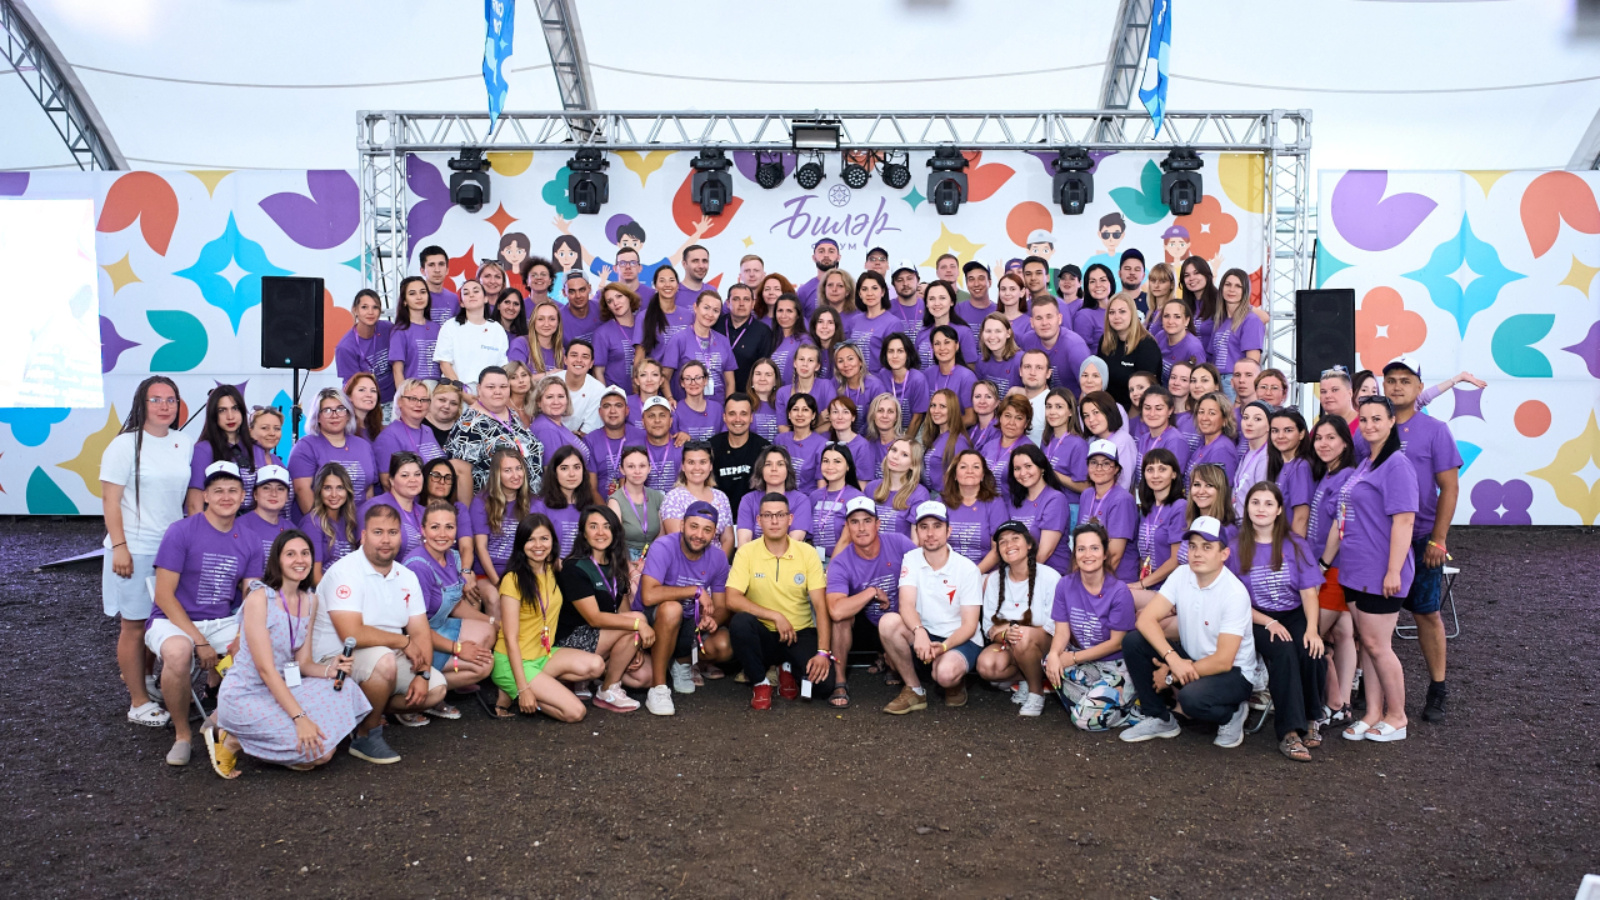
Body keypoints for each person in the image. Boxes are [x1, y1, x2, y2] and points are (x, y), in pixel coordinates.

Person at [207, 531, 370, 777]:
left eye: (305, 553)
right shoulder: (260, 598)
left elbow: (303, 664)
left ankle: (284, 744)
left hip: (285, 687)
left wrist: (331, 670)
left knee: (345, 686)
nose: (300, 560)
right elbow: (266, 670)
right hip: (246, 695)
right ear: (278, 560)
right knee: (322, 754)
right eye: (290, 554)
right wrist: (300, 718)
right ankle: (231, 740)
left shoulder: (310, 600)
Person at [1118, 516, 1263, 747]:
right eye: (1193, 546)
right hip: (1191, 659)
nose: (1197, 553)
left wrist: (1171, 676)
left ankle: (1232, 714)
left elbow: (1223, 661)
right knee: (1134, 641)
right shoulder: (1181, 574)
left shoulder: (1234, 593)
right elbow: (1145, 620)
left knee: (1191, 699)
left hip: (1233, 673)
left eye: (1207, 547)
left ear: (1224, 554)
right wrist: (1172, 659)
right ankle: (1160, 718)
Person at [101, 376, 193, 729]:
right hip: (135, 548)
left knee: (160, 621)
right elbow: (110, 500)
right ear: (142, 403)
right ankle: (137, 701)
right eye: (156, 399)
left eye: (170, 399)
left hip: (170, 549)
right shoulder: (124, 445)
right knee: (134, 624)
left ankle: (149, 681)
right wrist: (120, 547)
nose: (164, 406)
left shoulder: (183, 442)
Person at [149, 461, 255, 765]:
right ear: (205, 496)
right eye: (218, 490)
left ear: (243, 496)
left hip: (222, 621)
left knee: (258, 649)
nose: (226, 496)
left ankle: (216, 721)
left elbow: (251, 597)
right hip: (171, 619)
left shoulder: (248, 538)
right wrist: (199, 641)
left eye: (232, 490)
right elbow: (163, 596)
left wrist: (241, 635)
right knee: (179, 652)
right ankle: (182, 735)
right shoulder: (181, 531)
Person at [1328, 395, 1419, 744]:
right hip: (1356, 569)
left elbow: (1404, 521)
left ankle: (1397, 716)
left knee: (1379, 645)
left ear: (1392, 421)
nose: (1369, 425)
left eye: (1377, 419)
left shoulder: (1397, 465)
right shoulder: (1367, 462)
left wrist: (1393, 570)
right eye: (1364, 419)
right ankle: (1373, 713)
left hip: (1381, 570)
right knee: (1367, 644)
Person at [1383, 357, 1462, 722]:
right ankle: (1371, 690)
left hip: (1421, 538)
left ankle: (1438, 688)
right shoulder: (1371, 427)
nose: (1397, 386)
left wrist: (1438, 539)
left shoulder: (1435, 430)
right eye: (1391, 380)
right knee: (1373, 616)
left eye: (1405, 380)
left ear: (1419, 388)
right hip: (1379, 539)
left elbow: (1449, 488)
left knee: (1426, 612)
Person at [1231, 482, 1326, 760]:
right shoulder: (1236, 547)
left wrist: (1312, 629)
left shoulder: (1295, 544)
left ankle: (1311, 717)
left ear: (1279, 510)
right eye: (1255, 502)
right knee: (1284, 652)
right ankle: (1289, 732)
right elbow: (1234, 601)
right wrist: (1269, 623)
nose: (1261, 508)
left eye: (1268, 503)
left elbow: (1308, 593)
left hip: (1294, 612)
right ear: (1247, 508)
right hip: (1256, 616)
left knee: (1311, 649)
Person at [489, 514, 606, 722]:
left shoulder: (551, 568)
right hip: (514, 660)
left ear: (553, 541)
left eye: (544, 538)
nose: (538, 546)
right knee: (575, 712)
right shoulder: (512, 580)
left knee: (596, 665)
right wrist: (524, 689)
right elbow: (510, 639)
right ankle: (521, 693)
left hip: (543, 655)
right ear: (521, 544)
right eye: (531, 539)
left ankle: (524, 689)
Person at [723, 493, 832, 709]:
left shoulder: (807, 553)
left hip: (799, 633)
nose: (774, 521)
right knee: (740, 623)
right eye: (768, 515)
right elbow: (732, 599)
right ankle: (760, 682)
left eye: (780, 515)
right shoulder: (746, 552)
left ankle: (786, 667)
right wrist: (775, 616)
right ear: (759, 520)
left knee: (824, 688)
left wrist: (823, 653)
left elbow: (821, 606)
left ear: (790, 519)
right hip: (764, 634)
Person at [880, 501, 984, 712]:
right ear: (917, 532)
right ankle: (915, 690)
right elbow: (906, 605)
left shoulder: (967, 568)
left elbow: (969, 625)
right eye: (924, 527)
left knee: (945, 674)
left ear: (948, 531)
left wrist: (944, 647)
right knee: (888, 623)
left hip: (958, 638)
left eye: (937, 526)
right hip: (925, 634)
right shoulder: (911, 558)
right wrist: (919, 632)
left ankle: (955, 683)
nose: (930, 533)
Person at [401, 501, 496, 723]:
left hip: (439, 626)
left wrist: (493, 621)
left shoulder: (452, 557)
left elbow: (454, 604)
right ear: (423, 530)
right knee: (484, 666)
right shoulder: (418, 566)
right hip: (417, 639)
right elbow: (415, 629)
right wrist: (459, 649)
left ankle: (440, 682)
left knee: (489, 630)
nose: (442, 534)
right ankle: (417, 695)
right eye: (435, 527)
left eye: (449, 527)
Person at [556, 506, 655, 713]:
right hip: (573, 639)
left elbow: (623, 613)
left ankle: (595, 679)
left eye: (606, 526)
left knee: (646, 676)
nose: (600, 532)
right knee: (637, 620)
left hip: (604, 637)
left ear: (614, 532)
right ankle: (608, 690)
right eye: (593, 526)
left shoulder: (616, 564)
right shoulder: (574, 567)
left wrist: (634, 647)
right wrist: (638, 625)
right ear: (583, 532)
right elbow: (594, 618)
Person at [635, 502, 730, 715]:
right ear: (682, 525)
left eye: (707, 530)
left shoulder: (718, 557)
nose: (699, 535)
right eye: (693, 526)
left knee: (723, 644)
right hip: (652, 621)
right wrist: (695, 590)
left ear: (714, 533)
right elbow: (648, 596)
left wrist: (713, 619)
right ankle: (658, 688)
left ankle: (681, 662)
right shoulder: (663, 546)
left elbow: (722, 606)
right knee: (672, 609)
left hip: (689, 624)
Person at [1045, 522, 1138, 730]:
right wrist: (1054, 654)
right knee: (1050, 661)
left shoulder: (1119, 591)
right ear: (1075, 554)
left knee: (1082, 721)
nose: (1088, 555)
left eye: (1094, 548)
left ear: (1104, 554)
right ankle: (1098, 700)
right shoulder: (1065, 584)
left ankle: (1130, 711)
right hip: (1087, 663)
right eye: (1081, 549)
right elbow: (1062, 632)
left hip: (1116, 665)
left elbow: (1117, 643)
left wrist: (1073, 658)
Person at [825, 496, 916, 708]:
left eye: (867, 521)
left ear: (878, 524)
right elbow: (836, 610)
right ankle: (840, 681)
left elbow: (926, 576)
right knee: (840, 619)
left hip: (902, 621)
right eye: (854, 522)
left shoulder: (899, 543)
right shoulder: (841, 562)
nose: (861, 528)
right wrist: (871, 592)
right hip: (867, 625)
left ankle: (892, 660)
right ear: (847, 527)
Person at [977, 520, 1062, 716]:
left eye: (1015, 538)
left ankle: (1035, 692)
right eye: (1003, 542)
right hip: (1009, 642)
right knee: (987, 666)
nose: (1009, 545)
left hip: (1045, 644)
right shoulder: (994, 579)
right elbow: (989, 627)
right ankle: (1027, 676)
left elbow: (1054, 625)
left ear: (1029, 544)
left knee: (1023, 636)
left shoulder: (1050, 577)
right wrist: (1005, 634)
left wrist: (1016, 628)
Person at [1308, 414, 1358, 729]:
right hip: (1326, 568)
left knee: (1311, 635)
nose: (1323, 444)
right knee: (1341, 634)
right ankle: (1341, 704)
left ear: (1345, 443)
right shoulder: (1327, 474)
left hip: (1333, 571)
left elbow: (1339, 527)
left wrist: (1323, 567)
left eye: (1331, 438)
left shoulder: (1346, 477)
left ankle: (1335, 702)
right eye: (1319, 438)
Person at [447, 366, 542, 495]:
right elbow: (461, 473)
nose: (498, 391)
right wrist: (467, 508)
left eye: (503, 387)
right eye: (491, 387)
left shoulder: (512, 413)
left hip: (528, 498)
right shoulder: (469, 424)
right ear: (479, 389)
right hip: (494, 502)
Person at [288, 388, 379, 517]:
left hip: (359, 523)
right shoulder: (305, 447)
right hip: (322, 524)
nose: (334, 415)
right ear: (317, 417)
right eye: (327, 410)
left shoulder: (363, 446)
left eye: (340, 409)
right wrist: (323, 525)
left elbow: (369, 490)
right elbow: (302, 491)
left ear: (348, 415)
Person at [186, 385, 265, 514]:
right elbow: (194, 506)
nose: (230, 416)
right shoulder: (203, 450)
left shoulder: (256, 448)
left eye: (235, 408)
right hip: (216, 523)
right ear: (213, 415)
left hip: (253, 524)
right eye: (222, 410)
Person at [1129, 449, 1187, 615]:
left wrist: (1142, 584)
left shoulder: (1179, 506)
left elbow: (1176, 560)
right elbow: (1145, 554)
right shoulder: (1147, 509)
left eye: (1162, 469)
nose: (1155, 475)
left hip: (1171, 589)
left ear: (1174, 474)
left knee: (1122, 596)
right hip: (1150, 584)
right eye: (1150, 470)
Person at [1078, 439, 1140, 584]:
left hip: (1116, 578)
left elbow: (1114, 555)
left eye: (1106, 463)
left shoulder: (1122, 500)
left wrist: (1092, 585)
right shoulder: (1087, 495)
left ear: (1116, 469)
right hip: (1089, 573)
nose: (1099, 468)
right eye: (1094, 462)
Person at [659, 440, 735, 556]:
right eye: (691, 462)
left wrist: (718, 563)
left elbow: (728, 539)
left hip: (717, 562)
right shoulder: (674, 498)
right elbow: (679, 541)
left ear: (710, 466)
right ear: (683, 466)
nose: (697, 468)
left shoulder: (721, 497)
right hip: (685, 563)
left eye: (703, 462)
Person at [435, 280, 507, 394]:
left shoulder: (497, 329)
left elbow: (502, 366)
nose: (471, 295)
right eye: (466, 293)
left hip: (490, 394)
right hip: (456, 392)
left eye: (476, 291)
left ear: (486, 299)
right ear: (462, 303)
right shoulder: (451, 326)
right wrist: (462, 393)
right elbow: (445, 364)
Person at [663, 290, 737, 401]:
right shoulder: (679, 339)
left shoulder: (723, 341)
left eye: (715, 310)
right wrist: (670, 398)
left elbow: (730, 382)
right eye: (706, 308)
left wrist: (729, 406)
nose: (710, 314)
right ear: (695, 307)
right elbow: (665, 377)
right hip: (687, 406)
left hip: (718, 407)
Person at [941, 449, 1006, 572]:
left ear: (983, 475)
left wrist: (974, 574)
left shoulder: (995, 503)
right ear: (954, 475)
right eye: (963, 467)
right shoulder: (941, 502)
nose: (969, 471)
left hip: (983, 573)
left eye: (976, 467)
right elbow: (935, 544)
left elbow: (998, 548)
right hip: (948, 572)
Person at [531, 444, 600, 555]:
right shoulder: (539, 507)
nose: (572, 474)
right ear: (554, 472)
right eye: (564, 468)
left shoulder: (591, 506)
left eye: (577, 467)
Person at [373, 378, 446, 480]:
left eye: (424, 400)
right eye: (412, 399)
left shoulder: (427, 430)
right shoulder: (388, 437)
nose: (419, 404)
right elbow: (387, 481)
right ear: (399, 402)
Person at [1099, 294, 1162, 408]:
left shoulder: (1147, 345)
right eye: (1112, 312)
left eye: (1122, 312)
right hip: (1109, 407)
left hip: (1136, 409)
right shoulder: (1105, 341)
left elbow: (1147, 392)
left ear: (1133, 314)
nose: (1116, 317)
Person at [1019, 296, 1090, 396]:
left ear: (1059, 319)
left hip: (1071, 403)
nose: (1044, 323)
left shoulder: (1075, 346)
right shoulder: (1027, 340)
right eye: (1039, 318)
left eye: (1049, 317)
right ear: (1032, 322)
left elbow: (1090, 387)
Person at [360, 452, 427, 559]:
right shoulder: (374, 507)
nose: (413, 480)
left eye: (417, 474)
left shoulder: (425, 512)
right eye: (405, 475)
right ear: (391, 480)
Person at [335, 289, 395, 405]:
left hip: (392, 399)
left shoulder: (388, 329)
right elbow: (353, 386)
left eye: (375, 307)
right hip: (365, 403)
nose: (370, 312)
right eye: (364, 307)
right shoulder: (345, 347)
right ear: (355, 310)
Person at [1210, 268, 1265, 392]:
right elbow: (1212, 356)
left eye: (1238, 286)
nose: (1232, 290)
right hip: (1216, 382)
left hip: (1234, 383)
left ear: (1245, 291)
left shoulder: (1251, 320)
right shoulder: (1220, 321)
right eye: (1228, 285)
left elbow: (1252, 364)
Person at [809, 442, 866, 560]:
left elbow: (847, 539)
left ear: (848, 466)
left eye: (837, 461)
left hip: (845, 562)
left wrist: (832, 567)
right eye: (826, 461)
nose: (830, 466)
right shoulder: (814, 496)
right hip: (815, 560)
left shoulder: (857, 499)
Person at [634, 266, 695, 375]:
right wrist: (637, 381)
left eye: (671, 280)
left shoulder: (689, 316)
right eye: (662, 281)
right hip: (656, 379)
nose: (667, 284)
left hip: (687, 379)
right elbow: (640, 356)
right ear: (655, 286)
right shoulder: (644, 317)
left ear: (678, 285)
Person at [303, 463, 360, 579]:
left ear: (347, 491)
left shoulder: (349, 521)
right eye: (327, 488)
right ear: (319, 491)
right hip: (323, 588)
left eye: (340, 488)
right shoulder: (312, 523)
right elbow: (314, 577)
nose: (334, 495)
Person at [239, 465, 296, 576]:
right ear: (255, 494)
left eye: (280, 489)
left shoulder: (292, 530)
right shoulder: (240, 526)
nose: (273, 494)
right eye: (266, 488)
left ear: (287, 497)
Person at [718, 283, 774, 392]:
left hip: (748, 395)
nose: (741, 304)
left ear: (753, 304)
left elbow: (764, 368)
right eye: (736, 299)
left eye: (746, 299)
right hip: (715, 394)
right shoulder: (716, 326)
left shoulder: (763, 332)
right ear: (728, 303)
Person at [1267, 408, 1314, 536]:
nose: (1280, 436)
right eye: (1275, 431)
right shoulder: (1282, 465)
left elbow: (1301, 518)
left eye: (1288, 430)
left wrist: (1294, 547)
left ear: (1301, 434)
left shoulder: (1300, 467)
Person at [847, 271, 902, 376]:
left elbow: (894, 361)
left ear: (883, 292)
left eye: (874, 288)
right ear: (859, 293)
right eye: (864, 289)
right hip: (855, 380)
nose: (869, 293)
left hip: (880, 381)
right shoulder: (854, 321)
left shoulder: (893, 323)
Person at [389, 275, 442, 384]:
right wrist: (403, 393)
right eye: (412, 293)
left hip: (438, 389)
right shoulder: (400, 331)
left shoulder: (437, 328)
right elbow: (397, 371)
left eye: (423, 292)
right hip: (413, 389)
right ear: (404, 301)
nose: (419, 297)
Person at [1080, 390, 1136, 492]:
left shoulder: (1123, 440)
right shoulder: (1091, 440)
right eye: (1086, 415)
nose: (1091, 420)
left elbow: (1123, 484)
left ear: (1109, 412)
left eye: (1096, 412)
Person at [916, 389, 969, 492]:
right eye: (933, 405)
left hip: (945, 497)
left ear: (953, 410)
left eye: (942, 406)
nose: (936, 411)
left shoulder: (959, 442)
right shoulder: (936, 436)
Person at [593, 282, 641, 390]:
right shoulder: (602, 333)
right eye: (609, 301)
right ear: (608, 307)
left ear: (629, 297)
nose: (615, 303)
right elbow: (598, 372)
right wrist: (606, 396)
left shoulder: (643, 324)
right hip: (616, 396)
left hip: (644, 395)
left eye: (619, 296)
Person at [554, 340, 606, 435]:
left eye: (585, 357)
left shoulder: (598, 390)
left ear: (591, 363)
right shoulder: (549, 382)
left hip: (576, 440)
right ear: (565, 360)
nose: (579, 360)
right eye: (574, 355)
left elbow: (587, 431)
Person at [776, 392, 827, 487]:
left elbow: (821, 485)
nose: (800, 414)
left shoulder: (822, 444)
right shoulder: (779, 440)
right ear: (789, 414)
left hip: (807, 496)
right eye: (795, 409)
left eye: (805, 410)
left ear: (813, 415)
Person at [1188, 392, 1239, 486]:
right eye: (1201, 412)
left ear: (1225, 420)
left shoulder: (1222, 450)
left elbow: (1219, 490)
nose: (1204, 418)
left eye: (1212, 413)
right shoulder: (1203, 445)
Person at [1233, 401, 1273, 517]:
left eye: (1257, 419)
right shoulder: (1248, 452)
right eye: (1245, 418)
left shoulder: (1265, 457)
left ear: (1269, 425)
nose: (1249, 423)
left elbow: (1262, 497)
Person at [639, 396, 682, 492]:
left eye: (662, 415)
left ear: (670, 421)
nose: (657, 420)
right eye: (651, 416)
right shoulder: (635, 451)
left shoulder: (682, 448)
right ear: (643, 422)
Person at [1156, 299, 1206, 381]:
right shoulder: (1160, 336)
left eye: (1177, 317)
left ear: (1186, 321)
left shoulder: (1193, 348)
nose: (1170, 321)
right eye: (1166, 316)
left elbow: (1199, 381)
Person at [513, 300, 566, 375]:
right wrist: (549, 374)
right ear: (533, 322)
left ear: (558, 323)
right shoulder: (520, 344)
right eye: (541, 319)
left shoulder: (561, 351)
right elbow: (515, 378)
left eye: (552, 319)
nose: (546, 324)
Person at [768, 294, 809, 384]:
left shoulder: (805, 341)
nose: (784, 315)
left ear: (797, 315)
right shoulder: (772, 338)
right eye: (780, 310)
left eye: (789, 311)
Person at [417, 244, 460, 322]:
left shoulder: (454, 299)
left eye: (441, 264)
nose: (437, 270)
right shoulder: (415, 298)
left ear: (447, 270)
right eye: (431, 265)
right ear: (422, 271)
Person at [559, 267, 601, 343]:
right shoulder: (557, 319)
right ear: (564, 292)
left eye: (582, 290)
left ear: (589, 288)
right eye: (572, 291)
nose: (578, 296)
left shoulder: (602, 309)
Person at [425, 381, 464, 449]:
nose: (447, 406)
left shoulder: (462, 429)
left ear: (459, 407)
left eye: (453, 403)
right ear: (431, 399)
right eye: (442, 400)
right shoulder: (417, 423)